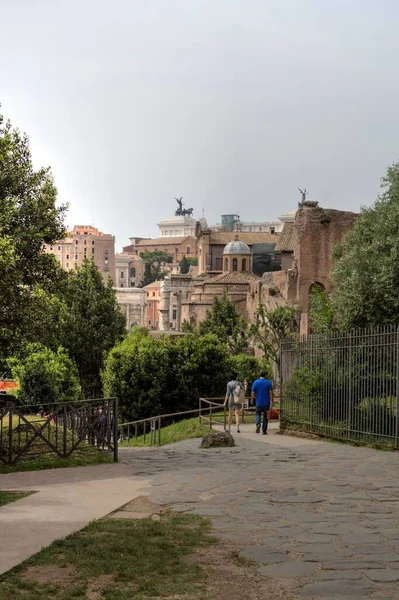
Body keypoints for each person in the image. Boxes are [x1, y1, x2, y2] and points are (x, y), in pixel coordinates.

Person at [251, 370, 274, 435]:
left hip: (258, 402)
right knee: (265, 417)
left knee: (258, 414)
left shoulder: (256, 382)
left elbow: (253, 392)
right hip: (266, 403)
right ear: (265, 375)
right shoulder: (268, 382)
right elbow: (271, 393)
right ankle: (264, 431)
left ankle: (258, 424)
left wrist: (252, 400)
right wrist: (272, 401)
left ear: (259, 375)